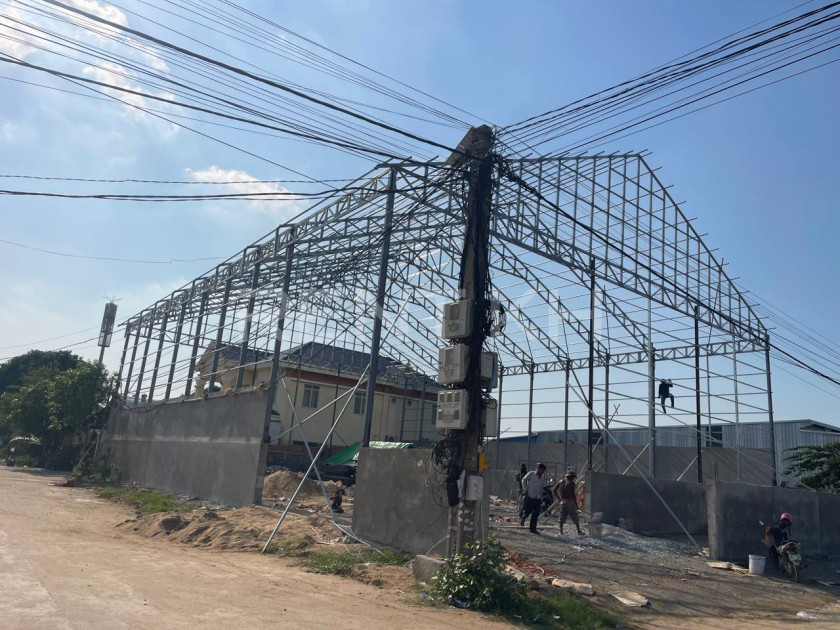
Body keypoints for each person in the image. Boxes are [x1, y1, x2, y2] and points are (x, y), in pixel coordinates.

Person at [553, 470, 584, 536]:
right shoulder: (572, 484)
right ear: (570, 477)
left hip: (562, 502)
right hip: (570, 502)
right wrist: (576, 505)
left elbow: (554, 490)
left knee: (562, 517)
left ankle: (561, 532)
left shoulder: (560, 482)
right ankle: (579, 531)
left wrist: (559, 499)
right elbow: (573, 495)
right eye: (573, 477)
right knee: (575, 516)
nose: (573, 479)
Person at [520, 463, 547, 534]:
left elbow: (541, 487)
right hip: (530, 495)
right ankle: (523, 517)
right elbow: (523, 480)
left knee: (536, 513)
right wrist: (525, 489)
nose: (542, 472)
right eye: (542, 470)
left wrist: (542, 494)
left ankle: (533, 529)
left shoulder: (542, 478)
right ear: (539, 469)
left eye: (543, 471)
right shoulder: (531, 474)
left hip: (538, 497)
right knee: (528, 510)